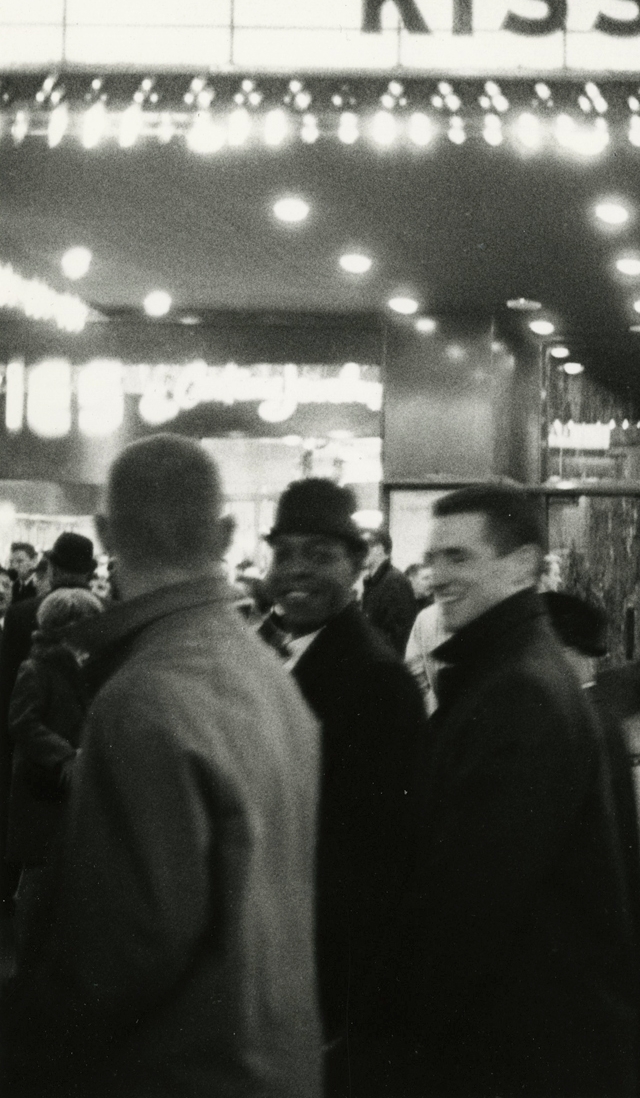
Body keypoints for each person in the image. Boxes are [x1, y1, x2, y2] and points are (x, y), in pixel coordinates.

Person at [2, 435, 322, 1096]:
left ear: (103, 531)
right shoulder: (271, 675)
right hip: (272, 1059)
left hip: (178, 1071)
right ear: (229, 532)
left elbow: (118, 955)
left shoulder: (142, 696)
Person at [358, 483, 640, 1096]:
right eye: (434, 559)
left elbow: (469, 905)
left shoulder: (516, 690)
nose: (436, 576)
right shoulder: (510, 670)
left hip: (527, 1050)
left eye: (459, 557)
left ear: (520, 565)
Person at [259, 478, 428, 1081]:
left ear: (358, 565)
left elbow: (383, 870)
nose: (296, 570)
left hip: (325, 992)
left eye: (320, 554)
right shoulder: (266, 653)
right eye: (284, 552)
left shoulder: (378, 683)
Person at [0, 532, 99, 909]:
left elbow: (7, 688)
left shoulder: (24, 613)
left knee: (35, 861)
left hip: (35, 762)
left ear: (52, 568)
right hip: (82, 758)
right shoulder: (106, 612)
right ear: (89, 572)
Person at [359, 528, 420, 655]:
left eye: (362, 547)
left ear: (379, 548)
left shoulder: (395, 582)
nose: (359, 553)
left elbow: (399, 637)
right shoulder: (373, 582)